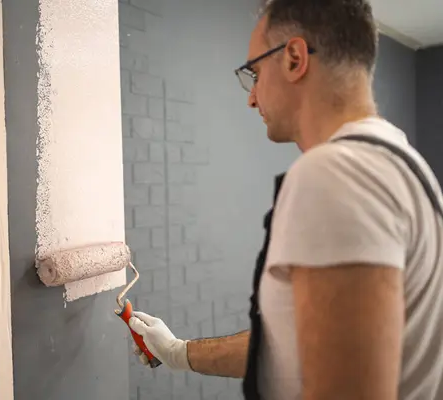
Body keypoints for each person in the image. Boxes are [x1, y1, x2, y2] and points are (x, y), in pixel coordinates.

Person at [127, 0, 443, 399]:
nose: (251, 98)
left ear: (294, 58)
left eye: (255, 73)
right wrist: (177, 352)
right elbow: (301, 344)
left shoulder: (336, 174)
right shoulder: (405, 164)